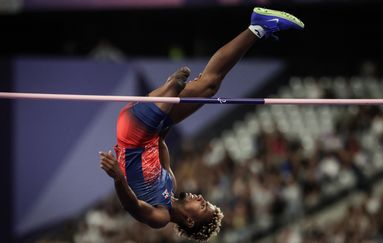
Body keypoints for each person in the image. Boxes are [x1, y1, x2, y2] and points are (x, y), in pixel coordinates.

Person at [99, 7, 304, 242]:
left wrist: (118, 178)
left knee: (183, 88)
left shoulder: (161, 217)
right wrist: (173, 115)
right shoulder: (171, 182)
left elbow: (132, 205)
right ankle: (258, 28)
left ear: (189, 220)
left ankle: (170, 89)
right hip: (151, 128)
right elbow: (161, 142)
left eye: (202, 206)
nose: (200, 197)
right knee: (209, 87)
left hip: (133, 132)